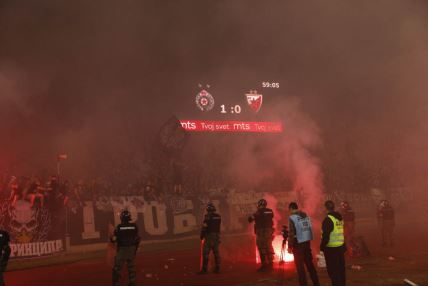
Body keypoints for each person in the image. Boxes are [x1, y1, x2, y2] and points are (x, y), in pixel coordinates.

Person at [288, 202, 320, 286]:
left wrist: (289, 246)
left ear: (291, 209)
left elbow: (291, 233)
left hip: (298, 244)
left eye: (289, 210)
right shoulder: (305, 215)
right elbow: (308, 228)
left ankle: (303, 284)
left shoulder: (292, 217)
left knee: (300, 267)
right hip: (306, 243)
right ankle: (316, 283)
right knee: (310, 265)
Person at [111, 210, 140, 286]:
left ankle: (116, 283)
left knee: (117, 268)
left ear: (122, 218)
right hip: (131, 249)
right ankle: (132, 282)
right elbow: (137, 238)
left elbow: (114, 239)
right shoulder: (134, 226)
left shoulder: (119, 227)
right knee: (131, 267)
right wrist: (135, 249)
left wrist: (111, 239)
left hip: (122, 250)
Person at [321, 200, 346, 286]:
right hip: (340, 247)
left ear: (326, 208)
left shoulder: (328, 219)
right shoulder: (339, 217)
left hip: (331, 249)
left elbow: (326, 236)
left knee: (333, 272)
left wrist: (322, 247)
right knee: (341, 270)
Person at [248, 198, 274, 272]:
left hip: (261, 232)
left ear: (259, 205)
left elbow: (250, 219)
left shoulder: (258, 212)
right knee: (269, 246)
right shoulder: (270, 211)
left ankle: (264, 264)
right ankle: (271, 263)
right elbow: (271, 217)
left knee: (261, 247)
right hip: (269, 231)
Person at [199, 203, 221, 274]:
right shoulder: (218, 216)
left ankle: (204, 269)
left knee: (205, 253)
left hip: (209, 236)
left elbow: (205, 226)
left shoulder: (207, 217)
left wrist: (202, 235)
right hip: (216, 236)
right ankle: (217, 268)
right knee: (216, 253)